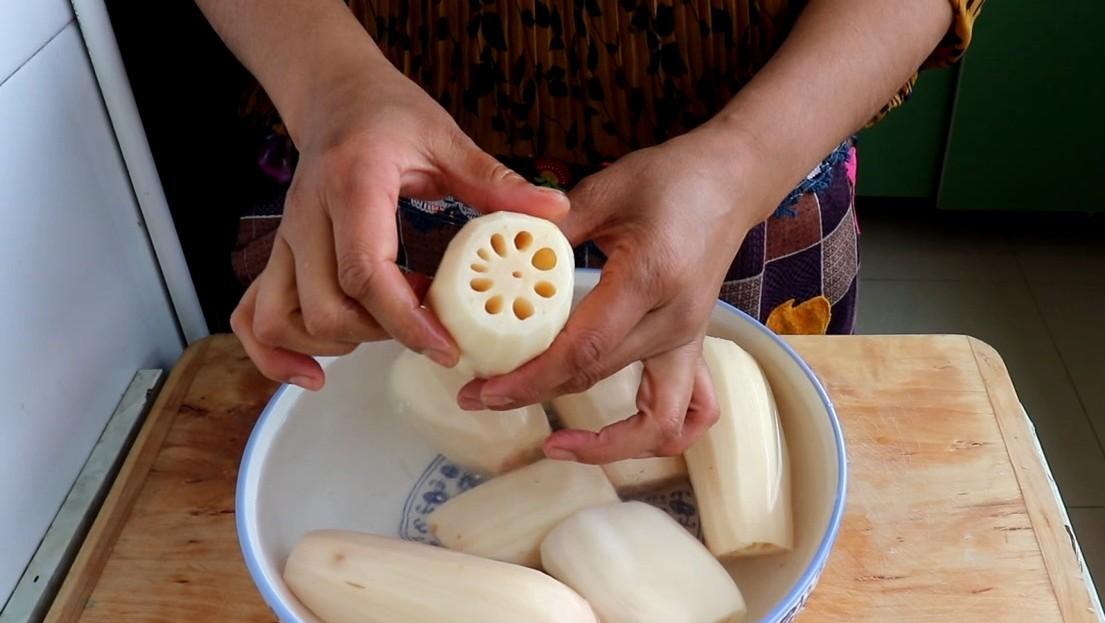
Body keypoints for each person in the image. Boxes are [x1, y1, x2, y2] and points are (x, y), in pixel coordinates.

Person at [197, 0, 981, 464]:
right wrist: (328, 79)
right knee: (355, 469)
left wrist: (745, 160)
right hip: (358, 173)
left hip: (751, 187)